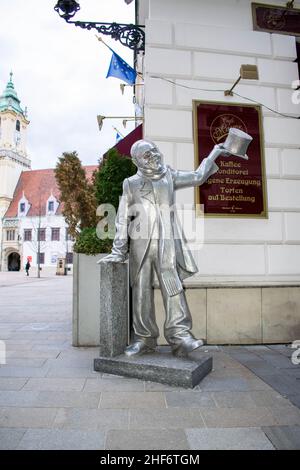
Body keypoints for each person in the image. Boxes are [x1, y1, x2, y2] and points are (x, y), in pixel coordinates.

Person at [101, 139, 231, 357]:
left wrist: (215, 153)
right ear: (136, 161)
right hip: (140, 247)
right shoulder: (130, 183)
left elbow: (199, 176)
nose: (154, 156)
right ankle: (143, 340)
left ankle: (180, 337)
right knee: (140, 293)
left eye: (154, 151)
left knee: (173, 289)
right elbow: (123, 218)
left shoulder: (169, 176)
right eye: (147, 155)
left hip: (167, 245)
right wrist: (118, 250)